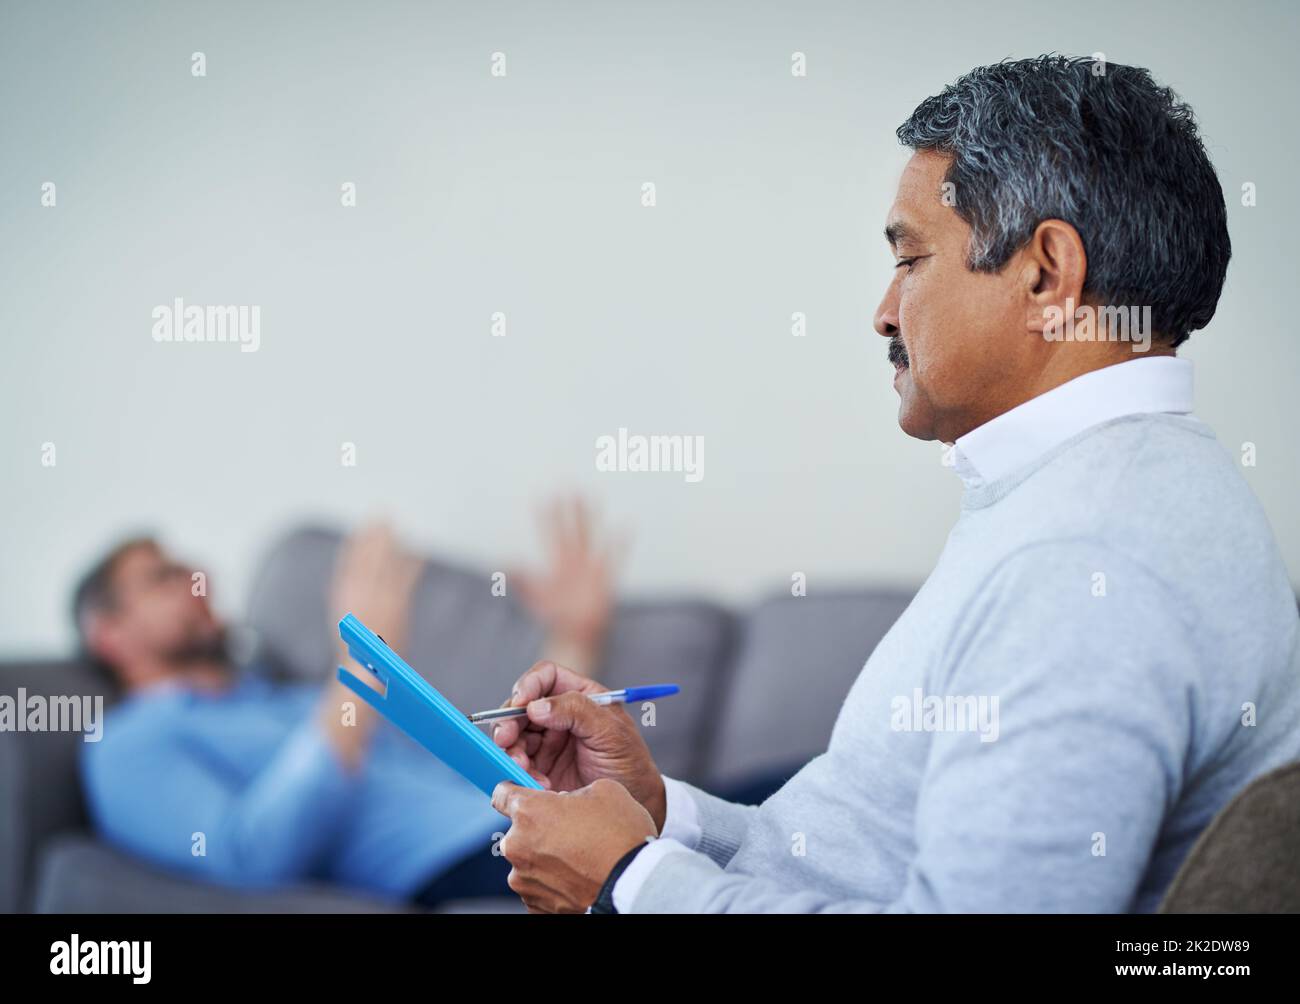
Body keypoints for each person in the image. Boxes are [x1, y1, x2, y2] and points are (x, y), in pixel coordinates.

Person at [486, 56, 1300, 913]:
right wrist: (660, 818)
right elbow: (873, 857)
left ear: (1047, 274)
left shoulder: (1083, 560)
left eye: (911, 258)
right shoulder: (1104, 490)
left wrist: (628, 882)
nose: (884, 309)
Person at [77, 498, 619, 907]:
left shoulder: (272, 695)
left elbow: (484, 756)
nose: (199, 582)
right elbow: (251, 858)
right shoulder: (126, 744)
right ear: (109, 634)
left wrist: (573, 640)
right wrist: (361, 667)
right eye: (162, 578)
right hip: (475, 860)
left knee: (696, 812)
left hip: (541, 812)